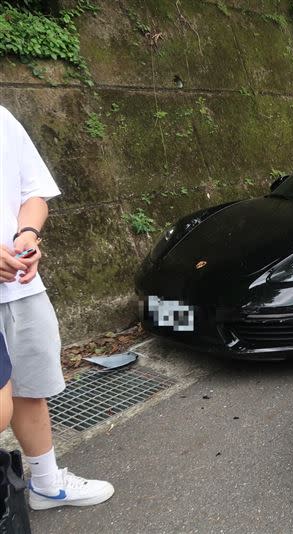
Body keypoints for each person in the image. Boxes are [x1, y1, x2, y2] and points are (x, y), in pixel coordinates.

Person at [0, 105, 114, 510]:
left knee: (30, 388)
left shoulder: (2, 119)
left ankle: (46, 485)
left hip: (19, 286)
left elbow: (34, 193)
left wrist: (26, 237)